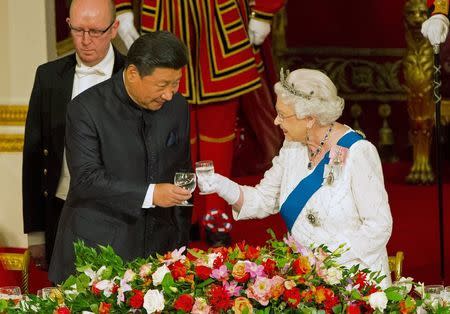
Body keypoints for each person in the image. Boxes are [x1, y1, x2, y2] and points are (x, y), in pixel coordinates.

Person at [198, 68, 394, 288]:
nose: (275, 121)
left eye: (283, 115)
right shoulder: (292, 147)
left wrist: (326, 258)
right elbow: (263, 200)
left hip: (356, 282)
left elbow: (379, 227)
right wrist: (221, 184)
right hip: (309, 282)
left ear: (309, 118)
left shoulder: (358, 152)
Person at [114, 0, 285, 243]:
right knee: (173, 130)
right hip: (164, 16)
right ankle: (185, 215)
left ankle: (215, 217)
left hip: (219, 20)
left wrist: (264, 10)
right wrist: (122, 7)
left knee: (219, 130)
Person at [48, 31, 192, 284]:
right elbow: (86, 179)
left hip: (159, 253)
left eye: (176, 83)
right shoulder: (86, 109)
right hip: (99, 250)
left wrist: (180, 243)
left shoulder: (177, 107)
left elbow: (182, 169)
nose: (169, 94)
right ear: (133, 73)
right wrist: (151, 194)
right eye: (162, 85)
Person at [22, 0, 125, 271]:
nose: (85, 41)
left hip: (122, 218)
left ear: (114, 29)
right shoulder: (49, 77)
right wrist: (35, 231)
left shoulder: (132, 76)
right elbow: (33, 154)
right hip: (62, 213)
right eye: (77, 30)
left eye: (95, 31)